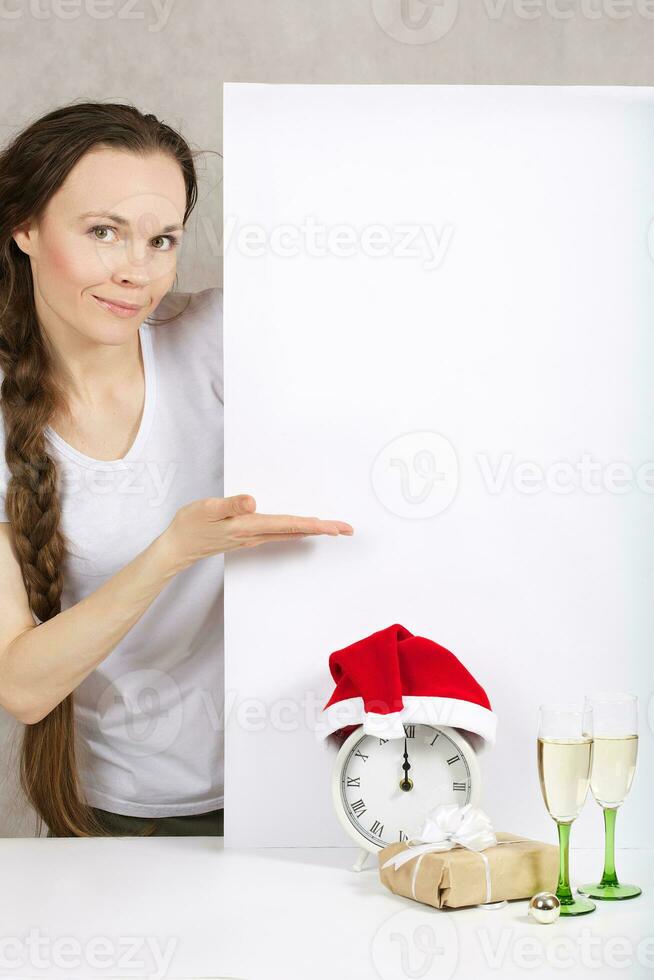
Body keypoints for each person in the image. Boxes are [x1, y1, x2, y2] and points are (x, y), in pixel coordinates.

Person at [0, 101, 354, 838]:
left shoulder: (215, 338)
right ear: (25, 228)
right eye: (104, 232)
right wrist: (174, 551)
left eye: (161, 240)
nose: (138, 271)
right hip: (125, 808)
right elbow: (23, 685)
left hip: (303, 779)